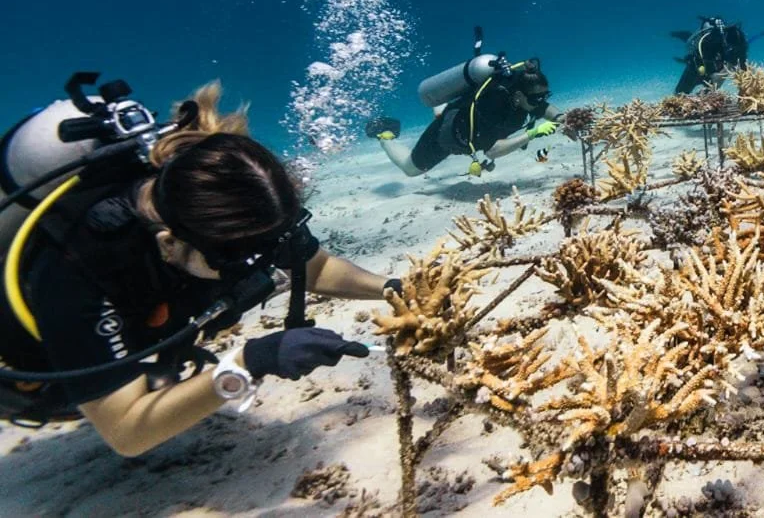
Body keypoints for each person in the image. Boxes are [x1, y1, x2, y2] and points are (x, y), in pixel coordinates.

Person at [0, 80, 387, 454]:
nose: (255, 265)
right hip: (27, 367)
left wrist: (391, 287)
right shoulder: (81, 267)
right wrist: (249, 361)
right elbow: (126, 431)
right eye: (234, 260)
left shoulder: (231, 204)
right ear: (170, 244)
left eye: (269, 244)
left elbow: (315, 267)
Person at [367, 44, 559, 177]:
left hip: (464, 121)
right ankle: (385, 136)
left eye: (545, 96)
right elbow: (493, 151)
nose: (540, 102)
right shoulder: (494, 106)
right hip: (447, 136)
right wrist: (532, 134)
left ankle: (441, 107)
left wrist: (564, 118)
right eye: (536, 98)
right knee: (411, 169)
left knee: (449, 112)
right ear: (518, 96)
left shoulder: (523, 98)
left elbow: (545, 109)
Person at [671, 17, 764, 94]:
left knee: (713, 84)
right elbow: (709, 70)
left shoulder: (740, 43)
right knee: (680, 93)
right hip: (700, 61)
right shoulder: (711, 41)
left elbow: (743, 66)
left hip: (717, 61)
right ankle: (681, 35)